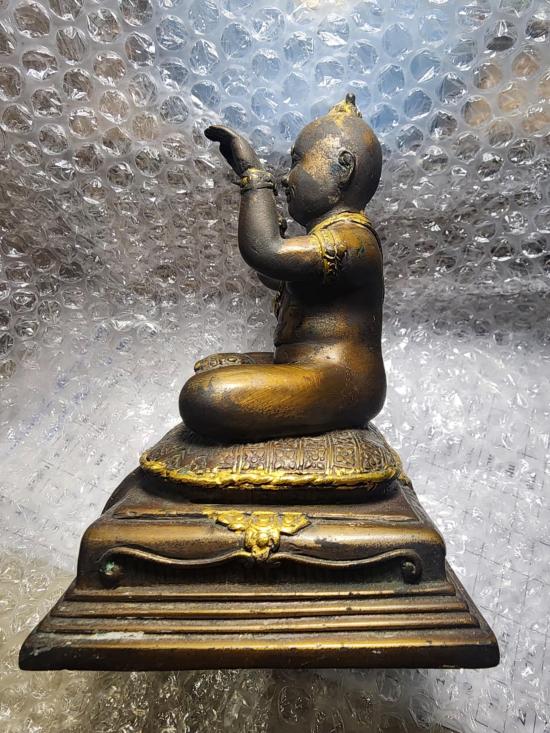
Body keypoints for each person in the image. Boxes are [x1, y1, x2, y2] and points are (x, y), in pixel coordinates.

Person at [179, 94, 386, 442]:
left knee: (204, 394)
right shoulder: (326, 239)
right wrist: (271, 224)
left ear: (343, 168)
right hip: (304, 364)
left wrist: (254, 177)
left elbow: (266, 253)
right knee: (210, 373)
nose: (287, 178)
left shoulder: (353, 241)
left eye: (297, 162)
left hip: (344, 380)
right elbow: (276, 274)